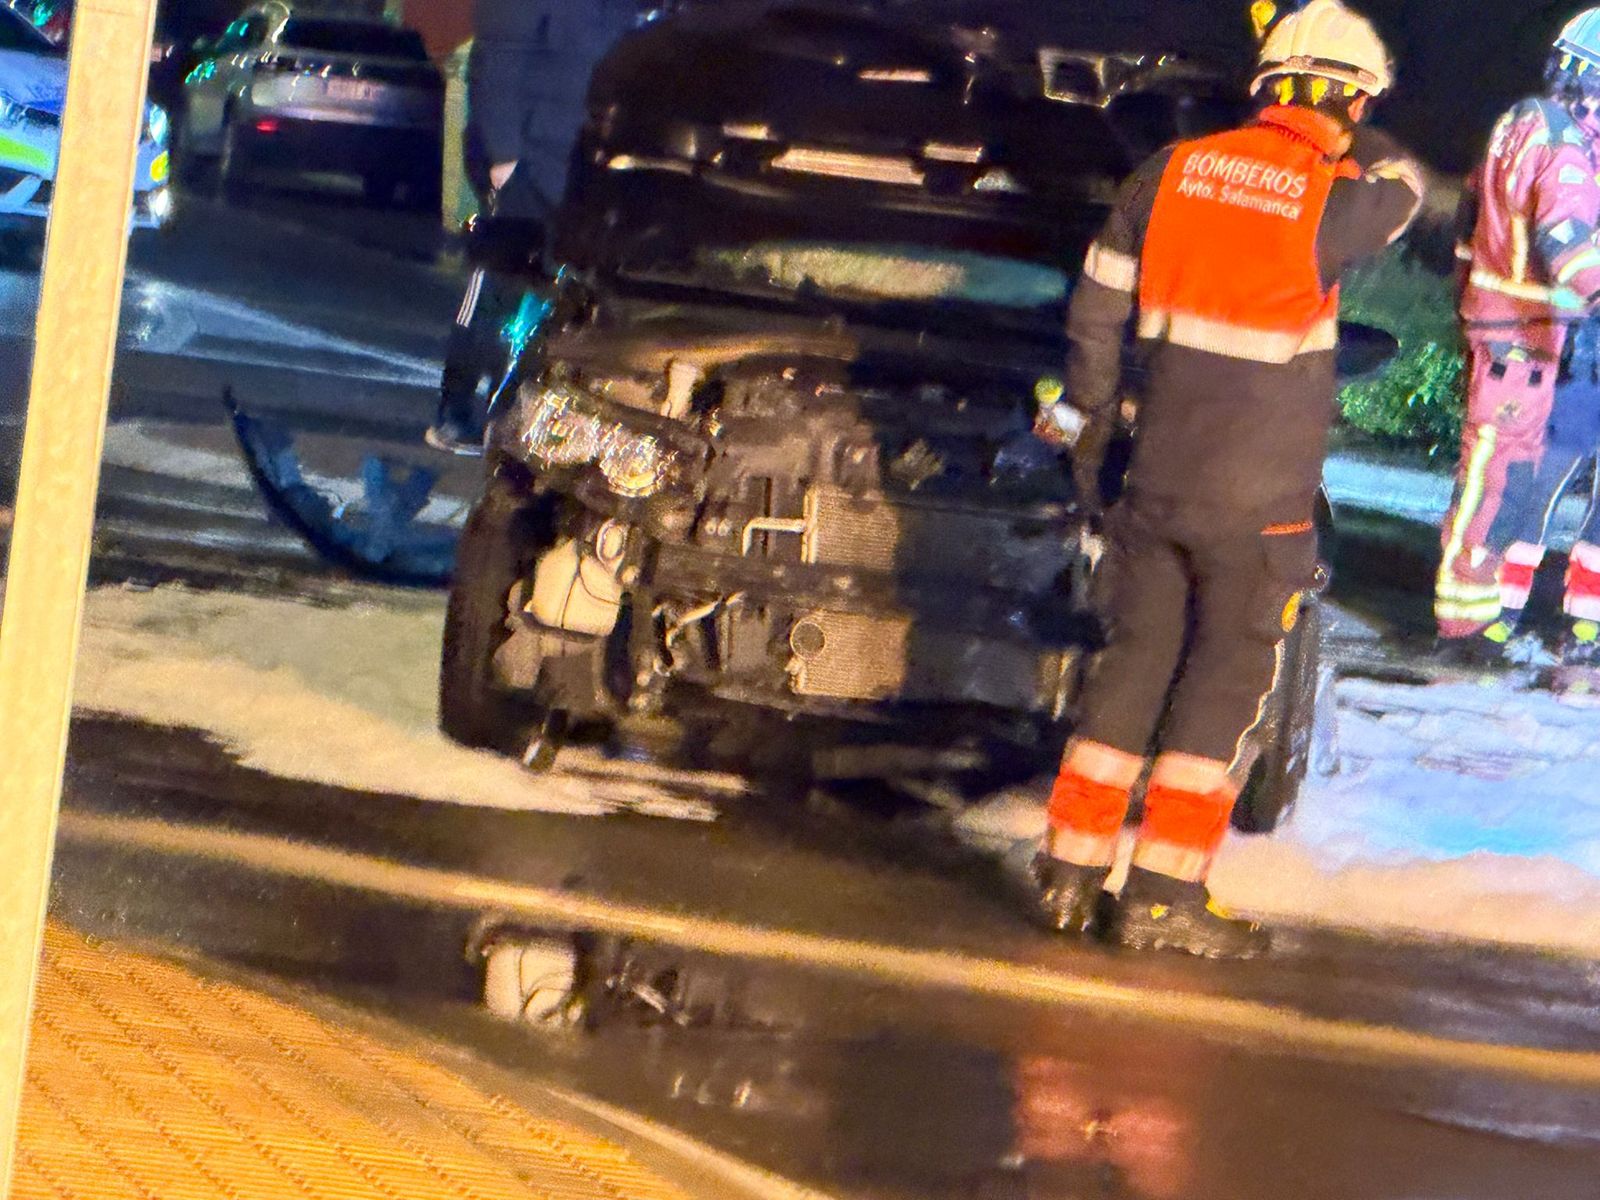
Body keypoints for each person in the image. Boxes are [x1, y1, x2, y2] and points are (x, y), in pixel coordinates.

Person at [1030, 0, 1424, 958]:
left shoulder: (1166, 173)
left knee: (1130, 666)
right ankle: (1163, 899)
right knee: (1220, 684)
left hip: (1154, 479)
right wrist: (1352, 136)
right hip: (1259, 508)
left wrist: (1086, 437)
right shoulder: (1331, 202)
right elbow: (1406, 181)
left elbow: (1092, 324)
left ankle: (1069, 878)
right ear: (1347, 100)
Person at [1434, 8, 1600, 662]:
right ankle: (1480, 628)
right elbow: (1573, 251)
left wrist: (1468, 310)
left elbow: (1468, 229)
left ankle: (1483, 617)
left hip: (1512, 331)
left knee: (1502, 482)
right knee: (1508, 484)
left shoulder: (1517, 124)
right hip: (1539, 341)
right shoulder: (1565, 148)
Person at [427, 0, 641, 454]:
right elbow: (497, 66)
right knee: (497, 286)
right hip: (527, 163)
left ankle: (512, 415)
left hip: (589, 167)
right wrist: (503, 157)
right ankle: (456, 410)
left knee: (564, 295)